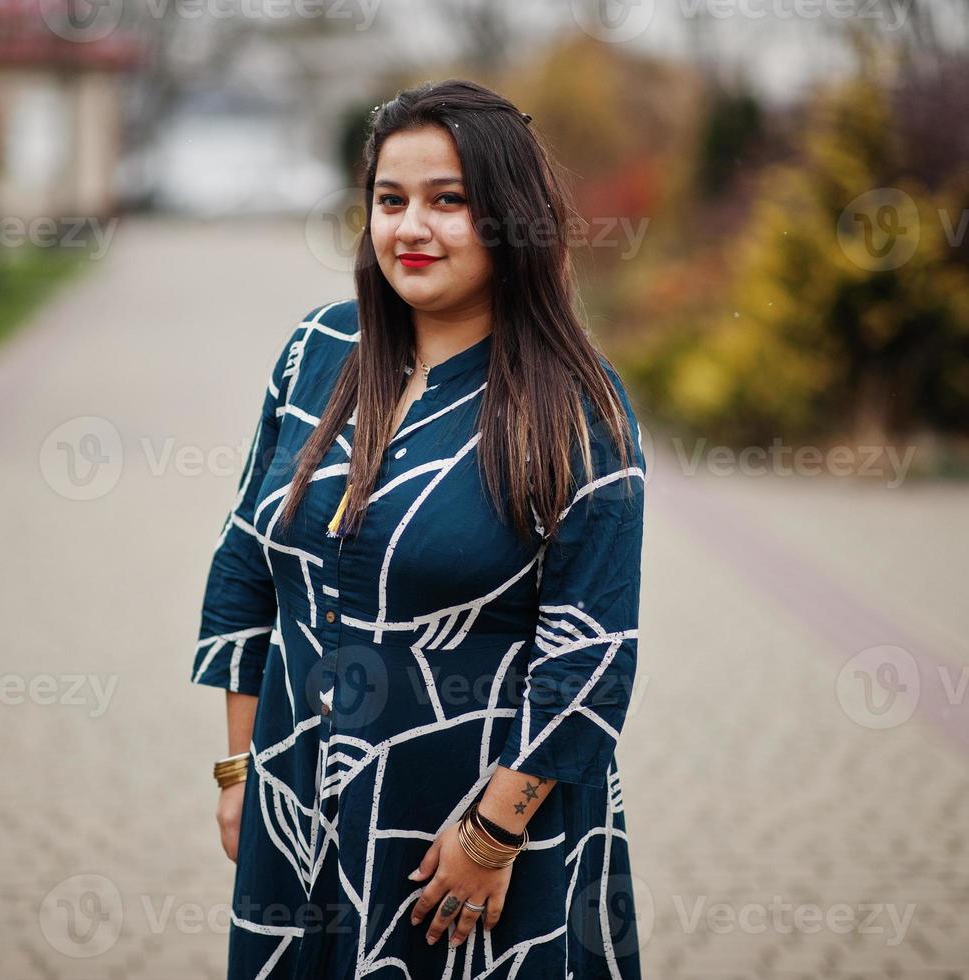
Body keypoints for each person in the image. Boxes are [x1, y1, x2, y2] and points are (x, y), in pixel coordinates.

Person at [191, 78, 647, 979]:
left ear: (509, 218)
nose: (411, 228)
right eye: (390, 201)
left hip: (475, 826)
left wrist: (490, 834)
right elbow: (244, 565)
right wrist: (241, 772)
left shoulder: (574, 404)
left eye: (449, 202)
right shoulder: (315, 353)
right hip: (298, 794)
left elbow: (590, 651)